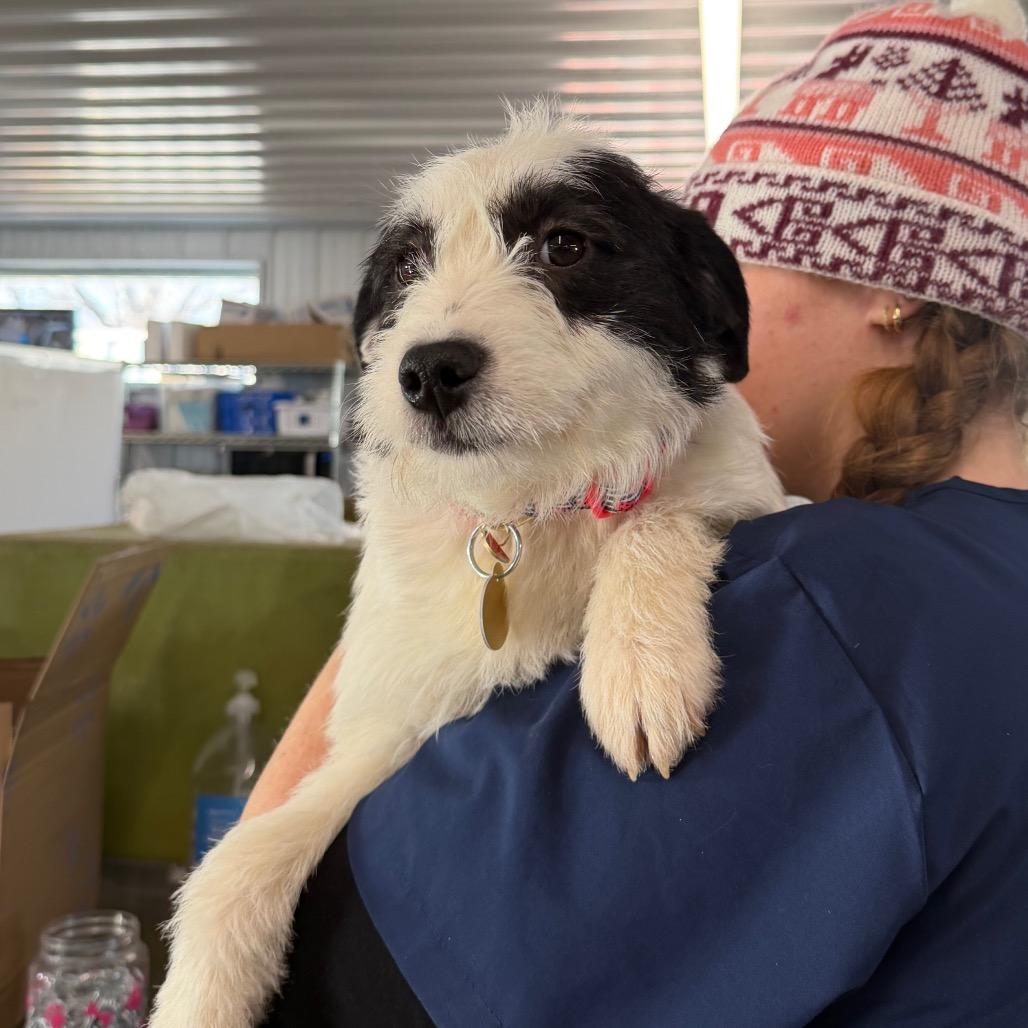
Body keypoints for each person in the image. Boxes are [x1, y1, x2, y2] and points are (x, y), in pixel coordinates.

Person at [250, 2, 1028, 1024]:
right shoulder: (983, 569)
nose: (699, 332)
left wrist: (416, 572)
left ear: (888, 281)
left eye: (738, 257)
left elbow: (335, 965)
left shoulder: (830, 610)